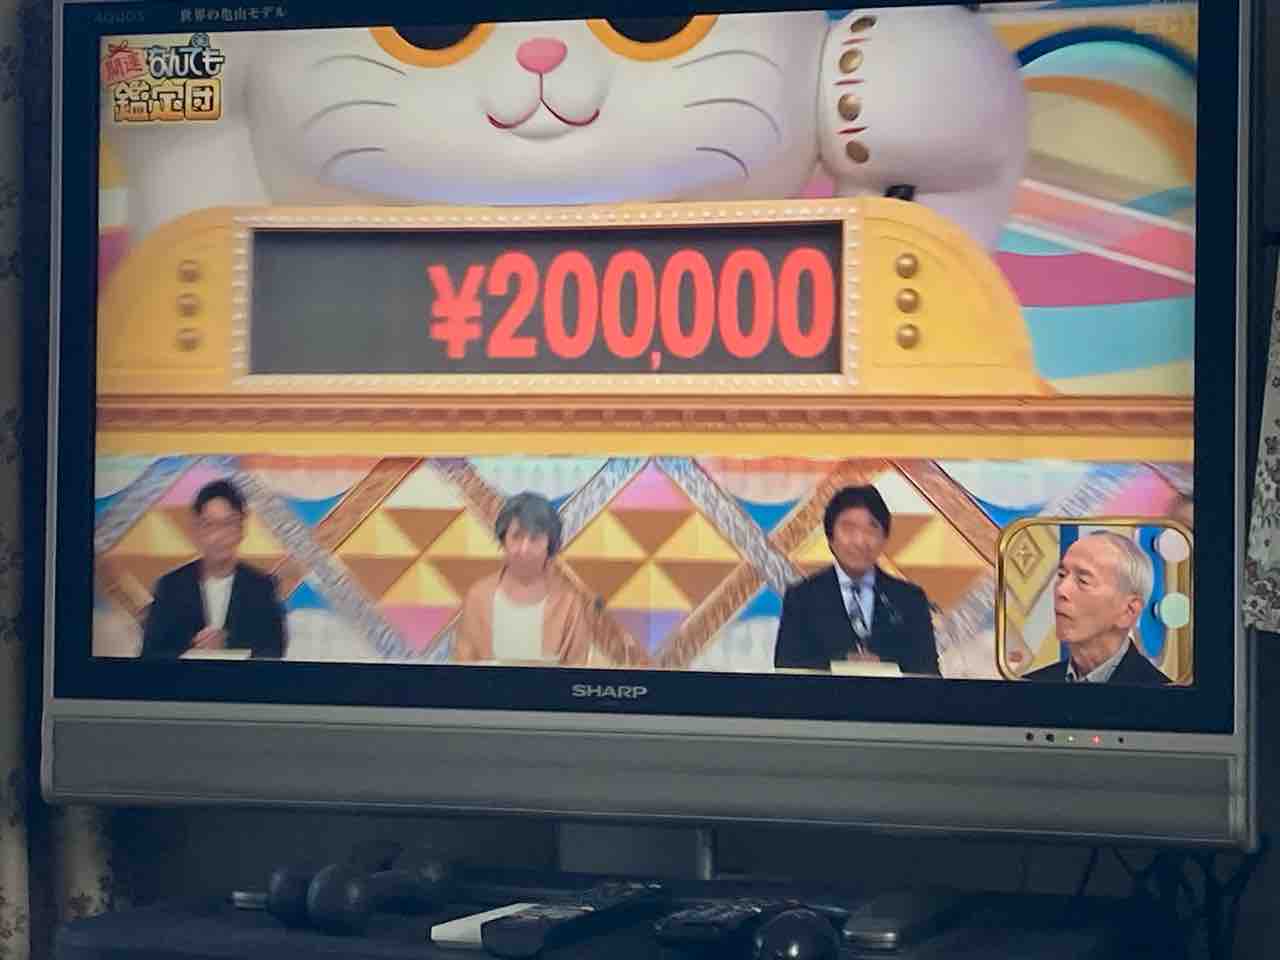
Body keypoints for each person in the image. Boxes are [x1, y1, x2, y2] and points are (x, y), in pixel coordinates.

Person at [774, 485, 939, 674]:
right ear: (830, 537)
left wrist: (883, 667)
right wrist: (843, 665)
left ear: (884, 538)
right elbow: (787, 668)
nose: (860, 541)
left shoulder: (910, 599)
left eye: (871, 528)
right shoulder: (802, 597)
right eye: (848, 529)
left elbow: (928, 673)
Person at [140, 479, 287, 659]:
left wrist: (228, 644)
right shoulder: (170, 586)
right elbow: (150, 654)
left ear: (241, 529)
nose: (219, 535)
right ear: (197, 530)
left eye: (228, 523)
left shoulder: (262, 587)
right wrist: (195, 648)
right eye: (209, 524)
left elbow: (274, 651)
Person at [454, 492, 594, 665]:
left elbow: (577, 670)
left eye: (535, 539)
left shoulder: (569, 603)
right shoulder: (478, 597)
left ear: (550, 545)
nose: (524, 549)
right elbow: (463, 666)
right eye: (516, 537)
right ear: (503, 540)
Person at [1024, 530, 1169, 685]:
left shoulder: (1163, 693)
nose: (1061, 590)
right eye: (1061, 575)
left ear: (1128, 611)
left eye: (1083, 581)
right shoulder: (1028, 685)